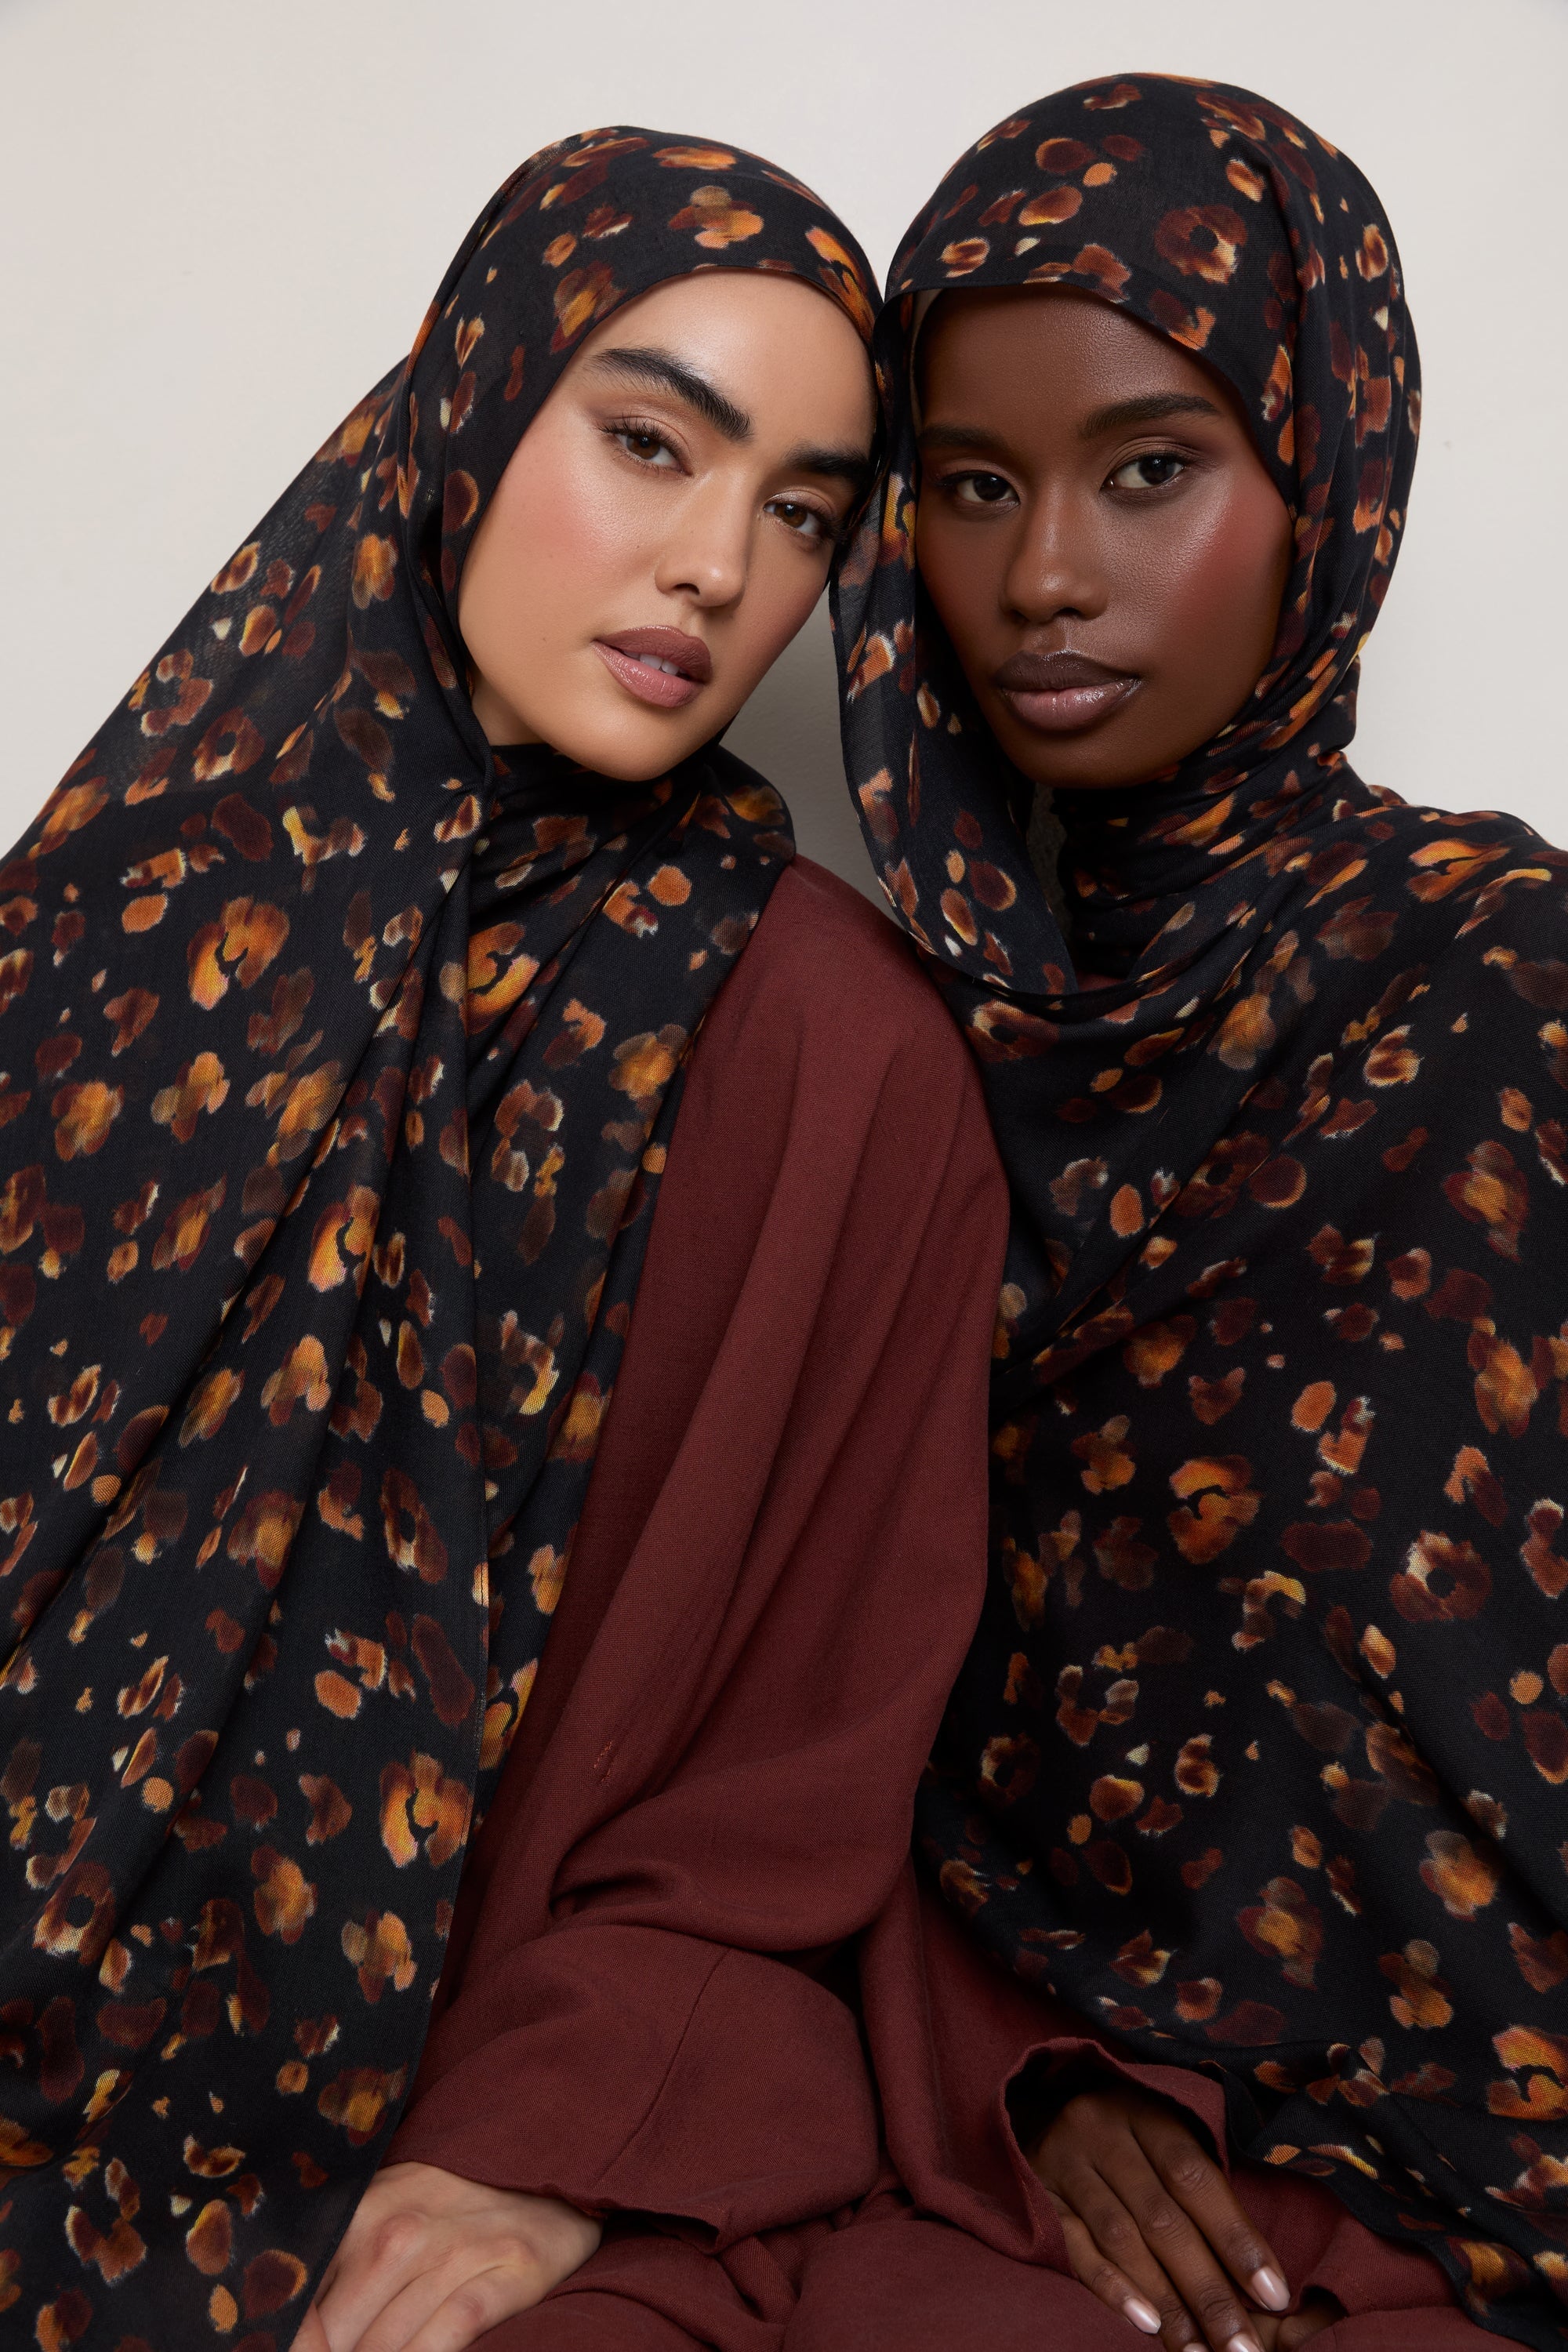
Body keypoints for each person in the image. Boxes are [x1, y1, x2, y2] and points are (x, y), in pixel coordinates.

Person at [0, 129, 1008, 2350]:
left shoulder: (839, 1060)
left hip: (385, 2108)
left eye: (805, 514)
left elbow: (800, 1756)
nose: (715, 567)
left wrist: (549, 2128)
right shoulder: (120, 924)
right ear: (469, 408)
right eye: (649, 442)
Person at [833, 73, 1568, 2352]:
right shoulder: (876, 1052)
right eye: (971, 486)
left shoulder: (1502, 986)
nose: (1044, 576)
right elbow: (806, 1719)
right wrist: (1034, 2067)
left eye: (1149, 469)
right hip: (1064, 2161)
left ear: (1324, 482)